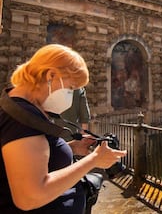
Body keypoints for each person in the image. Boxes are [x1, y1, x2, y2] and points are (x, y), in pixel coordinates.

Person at [0, 44, 127, 213]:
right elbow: (30, 196)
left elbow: (28, 157)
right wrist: (93, 161)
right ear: (51, 75)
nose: (71, 94)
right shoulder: (22, 118)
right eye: (71, 88)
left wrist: (71, 147)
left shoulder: (21, 108)